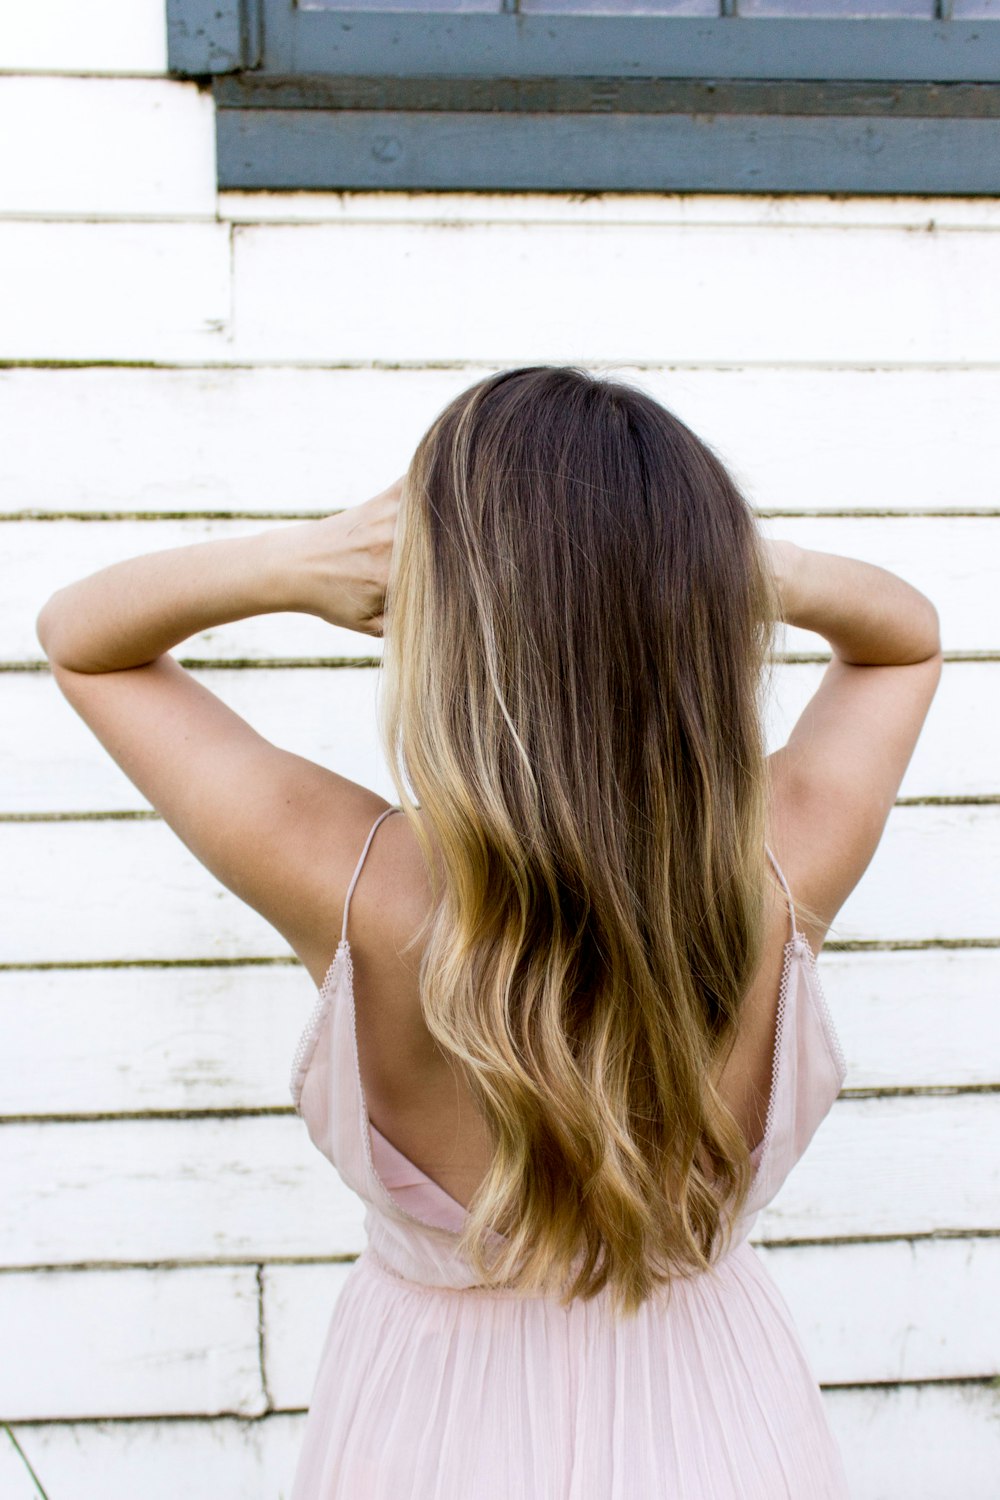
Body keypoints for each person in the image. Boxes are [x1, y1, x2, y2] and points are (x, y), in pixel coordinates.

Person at [36, 365, 942, 1498]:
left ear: (443, 626)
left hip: (426, 1436)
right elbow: (904, 639)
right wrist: (740, 563)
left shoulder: (357, 886)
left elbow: (81, 638)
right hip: (718, 1420)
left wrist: (297, 561)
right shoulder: (778, 865)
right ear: (710, 617)